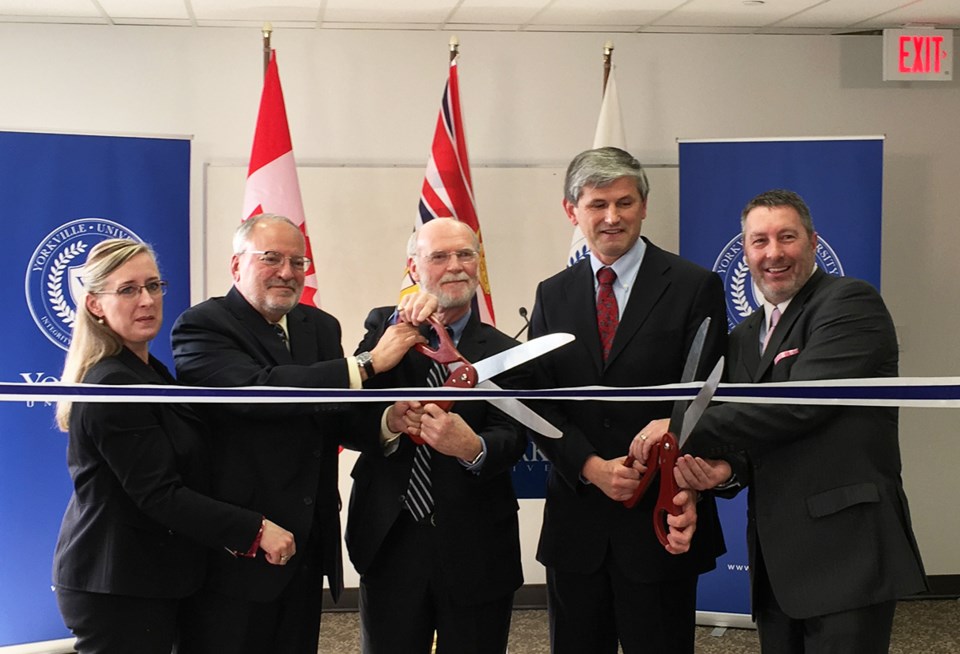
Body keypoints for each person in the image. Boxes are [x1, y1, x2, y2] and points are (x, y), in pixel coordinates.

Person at [669, 189, 928, 654]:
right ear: (744, 251)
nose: (773, 253)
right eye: (759, 241)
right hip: (776, 564)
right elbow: (756, 436)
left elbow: (798, 405)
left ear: (812, 242)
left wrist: (676, 429)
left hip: (846, 556)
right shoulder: (745, 336)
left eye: (786, 237)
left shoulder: (849, 304)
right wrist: (725, 472)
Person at [170, 214, 432, 654]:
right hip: (237, 551)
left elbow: (334, 415)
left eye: (298, 261)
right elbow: (259, 392)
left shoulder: (320, 326)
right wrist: (365, 365)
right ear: (237, 266)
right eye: (271, 259)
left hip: (308, 545)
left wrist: (389, 421)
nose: (288, 272)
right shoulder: (202, 325)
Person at [527, 147, 728, 654]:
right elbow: (539, 405)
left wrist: (672, 424)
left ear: (643, 206)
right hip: (579, 523)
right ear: (572, 210)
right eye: (597, 204)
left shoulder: (693, 285)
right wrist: (589, 465)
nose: (612, 217)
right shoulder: (552, 295)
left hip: (660, 517)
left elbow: (713, 391)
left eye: (624, 202)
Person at [52, 239, 296, 654]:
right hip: (119, 582)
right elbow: (158, 493)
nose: (147, 300)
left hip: (150, 575)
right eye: (128, 290)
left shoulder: (148, 371)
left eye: (153, 285)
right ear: (95, 305)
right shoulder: (113, 383)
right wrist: (254, 529)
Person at [345, 218, 527, 654]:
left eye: (466, 255)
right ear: (414, 267)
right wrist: (388, 421)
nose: (456, 266)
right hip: (390, 541)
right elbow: (346, 419)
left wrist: (473, 447)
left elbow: (517, 436)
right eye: (440, 256)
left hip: (478, 545)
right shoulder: (384, 333)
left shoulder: (507, 351)